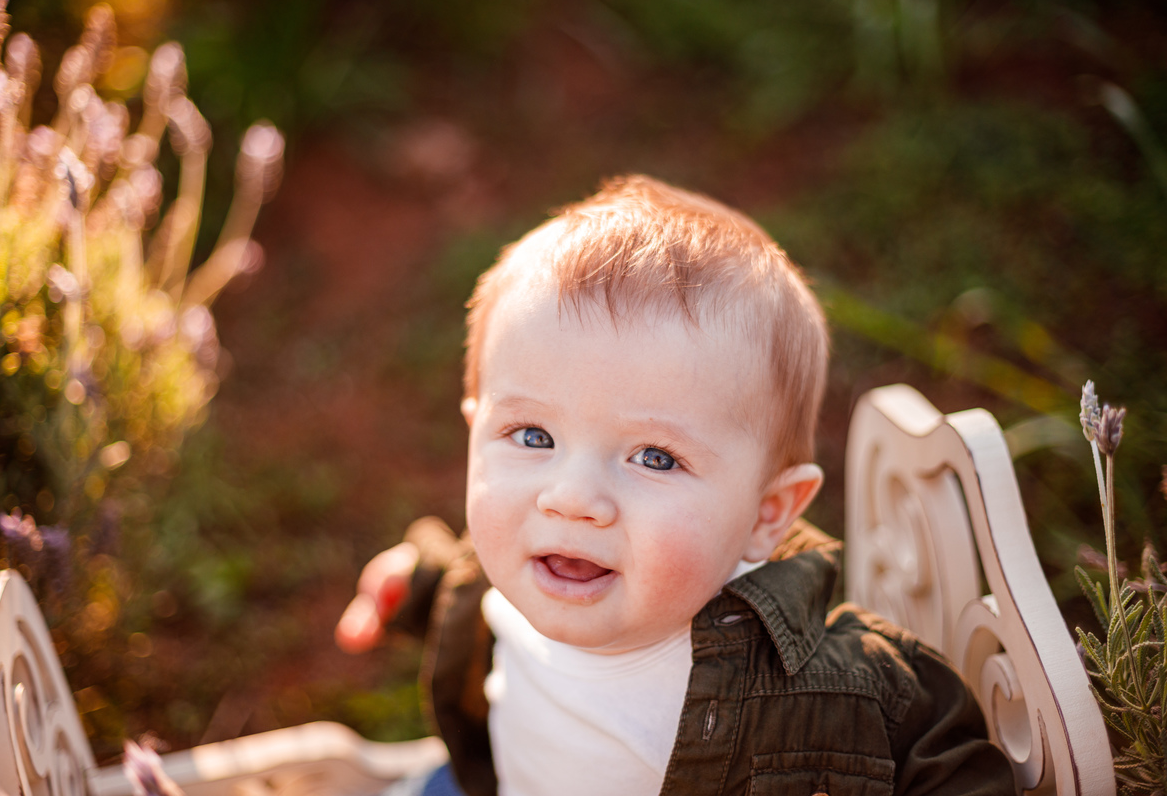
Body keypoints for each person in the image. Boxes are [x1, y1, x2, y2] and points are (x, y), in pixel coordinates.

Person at [336, 176, 1015, 796]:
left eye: (655, 458)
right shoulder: (534, 559)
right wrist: (413, 582)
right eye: (534, 437)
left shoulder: (830, 692)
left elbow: (950, 765)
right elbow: (469, 575)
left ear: (767, 513)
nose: (571, 499)